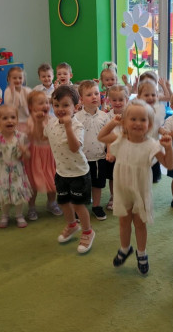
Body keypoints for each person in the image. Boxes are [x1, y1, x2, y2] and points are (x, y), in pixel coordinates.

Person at [98, 99, 173, 275]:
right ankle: (125, 248)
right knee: (124, 222)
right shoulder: (120, 139)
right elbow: (101, 137)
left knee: (140, 224)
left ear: (150, 125)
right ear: (125, 122)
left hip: (140, 190)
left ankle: (142, 253)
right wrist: (113, 123)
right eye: (133, 119)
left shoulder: (152, 145)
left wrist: (169, 148)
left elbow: (169, 165)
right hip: (122, 189)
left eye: (143, 120)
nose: (138, 123)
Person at [44, 85, 95, 254]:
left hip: (79, 173)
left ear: (76, 107)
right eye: (56, 105)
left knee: (78, 205)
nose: (60, 109)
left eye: (65, 105)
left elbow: (74, 148)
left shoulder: (77, 126)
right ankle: (72, 225)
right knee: (63, 202)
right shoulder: (51, 123)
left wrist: (67, 127)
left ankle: (88, 232)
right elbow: (43, 136)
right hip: (61, 172)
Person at [0, 105, 32, 228]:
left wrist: (25, 151)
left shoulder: (21, 137)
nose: (10, 121)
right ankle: (5, 215)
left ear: (17, 120)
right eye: (5, 118)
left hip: (17, 171)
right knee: (4, 195)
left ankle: (19, 215)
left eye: (13, 117)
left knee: (18, 193)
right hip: (2, 171)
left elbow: (28, 156)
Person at [25, 90, 62, 220]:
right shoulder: (30, 120)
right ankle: (31, 207)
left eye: (47, 102)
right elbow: (37, 136)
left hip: (50, 154)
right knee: (33, 181)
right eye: (41, 103)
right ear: (31, 107)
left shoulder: (52, 119)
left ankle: (51, 203)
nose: (45, 105)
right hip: (35, 154)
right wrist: (39, 122)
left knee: (52, 180)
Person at [75, 80, 109, 220]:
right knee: (82, 184)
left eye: (96, 93)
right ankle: (81, 207)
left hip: (99, 157)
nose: (94, 97)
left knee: (97, 184)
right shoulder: (77, 117)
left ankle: (96, 205)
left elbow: (109, 136)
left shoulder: (104, 116)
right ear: (81, 99)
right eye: (89, 95)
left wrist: (109, 151)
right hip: (82, 158)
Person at [137, 79, 168, 183]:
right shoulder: (137, 110)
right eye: (146, 95)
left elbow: (157, 126)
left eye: (153, 95)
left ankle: (154, 176)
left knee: (154, 160)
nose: (150, 97)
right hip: (141, 144)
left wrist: (162, 131)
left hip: (154, 142)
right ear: (139, 97)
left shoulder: (158, 110)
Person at [105, 84, 129, 211]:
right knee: (113, 176)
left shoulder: (131, 115)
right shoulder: (107, 116)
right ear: (109, 100)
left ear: (127, 99)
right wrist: (109, 152)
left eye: (121, 100)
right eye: (114, 100)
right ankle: (113, 196)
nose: (118, 103)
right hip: (113, 150)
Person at [3, 66, 31, 133]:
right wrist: (13, 93)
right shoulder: (8, 91)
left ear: (23, 79)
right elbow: (8, 105)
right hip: (14, 121)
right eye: (14, 78)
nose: (18, 80)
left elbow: (33, 102)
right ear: (9, 79)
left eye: (20, 78)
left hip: (27, 119)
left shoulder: (27, 90)